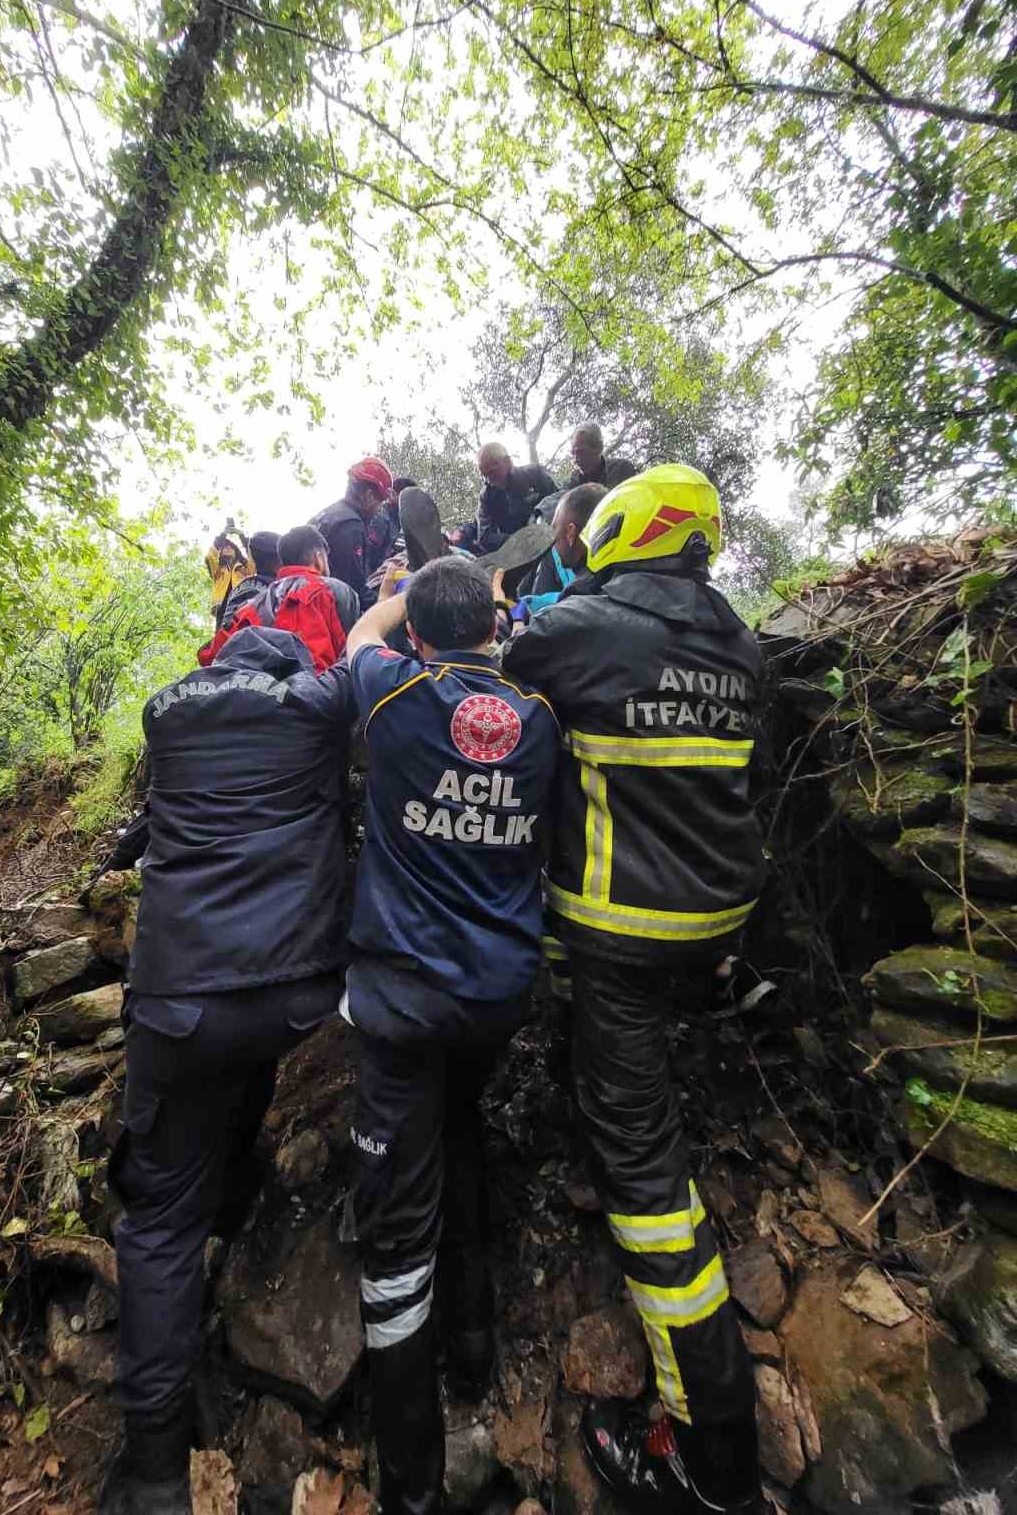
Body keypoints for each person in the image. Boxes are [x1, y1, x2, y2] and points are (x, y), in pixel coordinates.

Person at [501, 464, 766, 1515]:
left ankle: (710, 1455)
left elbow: (508, 663)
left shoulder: (582, 625)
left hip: (616, 934)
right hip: (711, 928)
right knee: (627, 1075)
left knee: (649, 1184)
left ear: (619, 529)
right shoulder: (743, 648)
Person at [102, 627, 353, 1515]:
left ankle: (156, 1473)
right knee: (240, 1070)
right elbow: (354, 670)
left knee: (159, 1225)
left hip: (181, 1003)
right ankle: (234, 1199)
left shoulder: (165, 711)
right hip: (295, 997)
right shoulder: (316, 709)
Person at [344, 558, 560, 1515]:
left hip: (402, 1005)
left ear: (420, 635)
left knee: (394, 1230)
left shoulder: (395, 693)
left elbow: (356, 638)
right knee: (462, 1126)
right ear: (497, 625)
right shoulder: (543, 720)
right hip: (499, 996)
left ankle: (413, 1488)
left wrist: (397, 588)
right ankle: (474, 1352)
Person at [197, 526, 359, 672]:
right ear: (318, 559)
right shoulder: (334, 590)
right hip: (317, 696)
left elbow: (210, 656)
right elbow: (356, 651)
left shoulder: (250, 606)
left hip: (262, 698)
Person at [312, 457, 394, 606]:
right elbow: (353, 589)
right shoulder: (350, 527)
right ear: (369, 496)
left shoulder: (328, 514)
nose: (378, 511)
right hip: (326, 611)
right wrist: (386, 606)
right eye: (380, 503)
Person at [517, 482, 607, 614]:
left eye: (554, 530)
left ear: (571, 533)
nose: (552, 541)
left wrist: (507, 612)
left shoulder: (577, 606)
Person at [475, 442, 557, 554]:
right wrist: (519, 539)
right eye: (485, 475)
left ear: (507, 462)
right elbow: (484, 537)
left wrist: (540, 519)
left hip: (549, 538)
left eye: (492, 472)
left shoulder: (535, 474)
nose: (489, 480)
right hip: (516, 552)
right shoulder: (486, 495)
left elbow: (559, 502)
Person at [367, 475, 417, 575]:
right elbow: (369, 557)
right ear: (393, 495)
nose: (412, 502)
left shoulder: (400, 521)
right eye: (408, 498)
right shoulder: (381, 519)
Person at [566, 422, 637, 490]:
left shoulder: (621, 469)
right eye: (573, 453)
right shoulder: (574, 480)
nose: (576, 460)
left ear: (599, 447)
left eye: (580, 452)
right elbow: (558, 497)